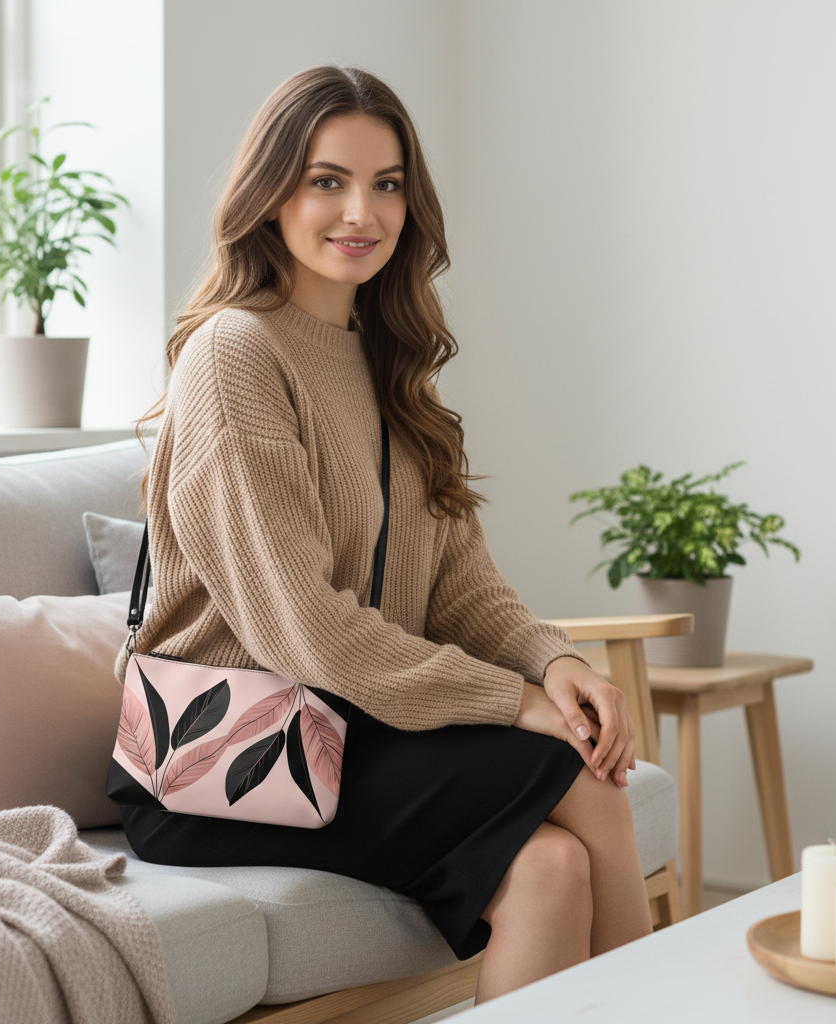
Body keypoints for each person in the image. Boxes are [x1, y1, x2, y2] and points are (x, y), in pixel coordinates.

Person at [117, 63, 652, 1004]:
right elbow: (305, 631)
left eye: (387, 182)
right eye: (327, 179)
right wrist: (513, 701)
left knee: (552, 870)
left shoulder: (394, 367)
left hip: (353, 728)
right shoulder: (236, 354)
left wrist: (555, 662)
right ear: (272, 191)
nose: (360, 209)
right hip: (228, 760)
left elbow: (460, 587)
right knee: (577, 770)